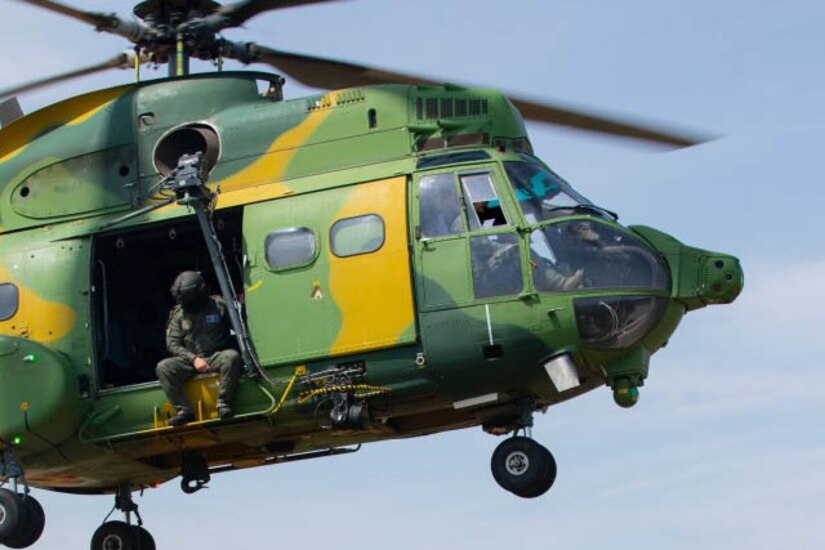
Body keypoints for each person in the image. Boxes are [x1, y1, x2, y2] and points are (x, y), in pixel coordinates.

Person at [156, 271, 243, 427]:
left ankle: (224, 402)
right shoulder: (178, 315)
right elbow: (173, 343)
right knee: (164, 368)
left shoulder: (219, 306)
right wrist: (193, 359)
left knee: (232, 357)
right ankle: (184, 411)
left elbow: (240, 329)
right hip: (190, 361)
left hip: (216, 356)